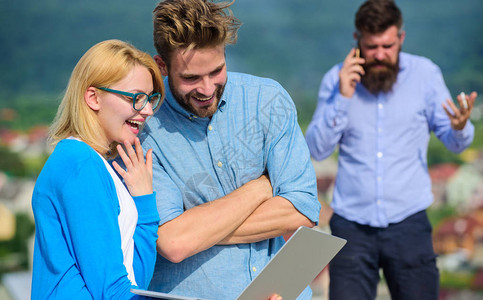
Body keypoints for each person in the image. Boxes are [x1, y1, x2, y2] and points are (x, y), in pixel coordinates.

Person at [136, 0, 320, 299]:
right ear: (162, 67)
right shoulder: (144, 130)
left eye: (216, 71)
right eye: (191, 78)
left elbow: (302, 210)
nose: (207, 89)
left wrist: (197, 231)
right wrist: (261, 188)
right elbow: (172, 243)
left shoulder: (268, 100)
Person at [305, 0, 477, 299]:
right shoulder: (336, 79)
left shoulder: (425, 74)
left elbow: (453, 140)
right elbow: (317, 151)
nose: (381, 55)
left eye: (387, 45)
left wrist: (460, 127)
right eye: (372, 47)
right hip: (351, 226)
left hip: (409, 222)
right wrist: (343, 98)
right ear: (357, 40)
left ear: (401, 38)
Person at [31, 39, 164, 299]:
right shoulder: (80, 164)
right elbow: (112, 292)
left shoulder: (96, 163)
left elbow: (135, 283)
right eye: (136, 98)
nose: (147, 110)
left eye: (150, 98)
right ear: (93, 97)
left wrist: (144, 202)